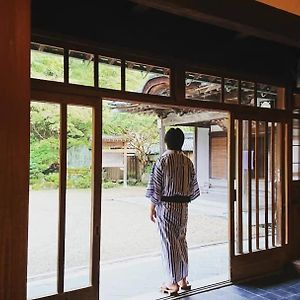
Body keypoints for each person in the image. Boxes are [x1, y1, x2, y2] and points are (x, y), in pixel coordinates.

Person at [146, 128, 200, 295]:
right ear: (182, 142)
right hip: (183, 208)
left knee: (169, 243)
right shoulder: (187, 161)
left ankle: (172, 283)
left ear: (166, 141)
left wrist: (152, 207)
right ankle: (184, 280)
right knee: (181, 241)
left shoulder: (163, 160)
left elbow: (156, 187)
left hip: (167, 207)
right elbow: (193, 189)